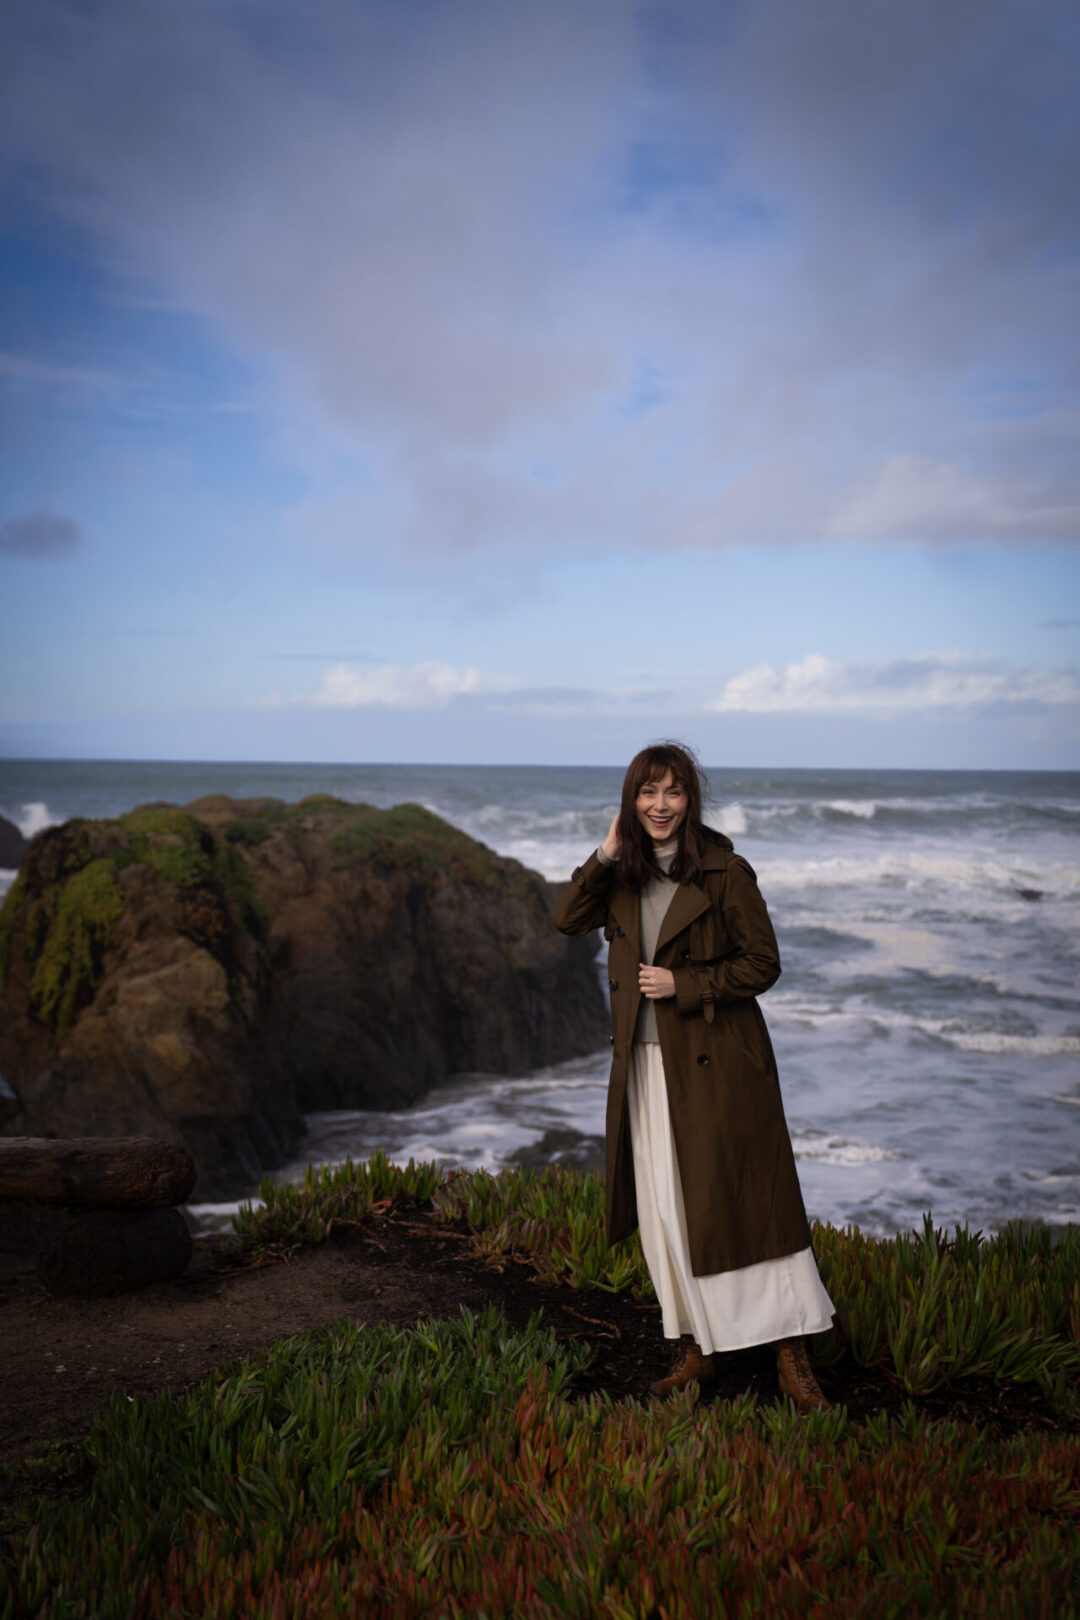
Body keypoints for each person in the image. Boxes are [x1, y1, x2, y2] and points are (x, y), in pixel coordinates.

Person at [554, 741, 833, 1414]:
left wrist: (686, 983)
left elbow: (762, 964)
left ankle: (791, 1352)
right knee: (666, 1208)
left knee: (747, 1203)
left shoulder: (725, 871)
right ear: (631, 802)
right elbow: (566, 918)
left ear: (691, 799)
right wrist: (604, 850)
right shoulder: (620, 874)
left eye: (672, 792)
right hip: (646, 1066)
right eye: (647, 793)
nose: (660, 805)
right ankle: (694, 1346)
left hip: (717, 1064)